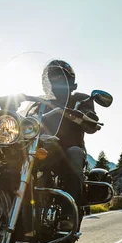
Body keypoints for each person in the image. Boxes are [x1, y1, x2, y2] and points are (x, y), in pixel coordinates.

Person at [39, 59, 101, 228]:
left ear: (69, 80)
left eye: (59, 77)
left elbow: (90, 121)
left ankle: (69, 213)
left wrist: (88, 116)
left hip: (69, 149)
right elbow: (27, 116)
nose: (55, 81)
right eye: (52, 78)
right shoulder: (42, 102)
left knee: (74, 153)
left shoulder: (81, 99)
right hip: (45, 148)